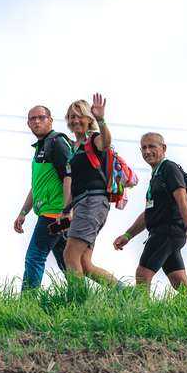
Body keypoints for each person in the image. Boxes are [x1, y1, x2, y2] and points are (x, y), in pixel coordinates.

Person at [112, 132, 187, 294]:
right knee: (179, 282)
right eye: (144, 148)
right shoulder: (156, 175)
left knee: (142, 275)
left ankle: (143, 316)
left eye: (152, 146)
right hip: (166, 233)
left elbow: (183, 201)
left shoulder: (169, 169)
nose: (147, 151)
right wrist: (127, 235)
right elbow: (149, 213)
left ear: (164, 148)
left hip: (168, 232)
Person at [62, 93, 122, 287]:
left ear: (89, 119)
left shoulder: (93, 139)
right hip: (83, 204)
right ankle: (126, 293)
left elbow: (105, 143)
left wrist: (102, 120)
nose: (76, 119)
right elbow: (76, 183)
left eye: (80, 115)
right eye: (72, 116)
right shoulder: (74, 148)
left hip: (93, 202)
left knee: (70, 254)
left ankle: (76, 302)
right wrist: (66, 210)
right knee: (85, 264)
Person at [14, 105, 72, 291]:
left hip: (55, 213)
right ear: (28, 123)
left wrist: (67, 211)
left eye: (41, 117)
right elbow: (36, 187)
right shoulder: (42, 146)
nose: (36, 121)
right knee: (68, 263)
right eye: (32, 119)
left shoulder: (56, 143)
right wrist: (23, 212)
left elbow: (69, 177)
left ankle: (28, 303)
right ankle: (85, 299)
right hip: (53, 212)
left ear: (50, 120)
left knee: (35, 256)